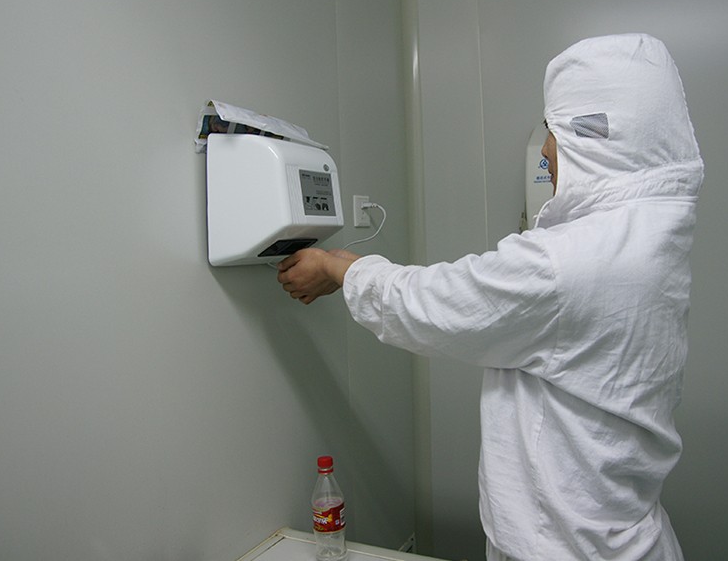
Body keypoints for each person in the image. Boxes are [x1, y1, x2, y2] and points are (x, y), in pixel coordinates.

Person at [277, 34, 703, 561]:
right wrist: (347, 265)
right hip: (626, 534)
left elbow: (437, 304)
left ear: (593, 135)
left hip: (567, 547)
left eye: (552, 131)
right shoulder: (651, 236)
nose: (544, 151)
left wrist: (337, 269)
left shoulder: (568, 262)